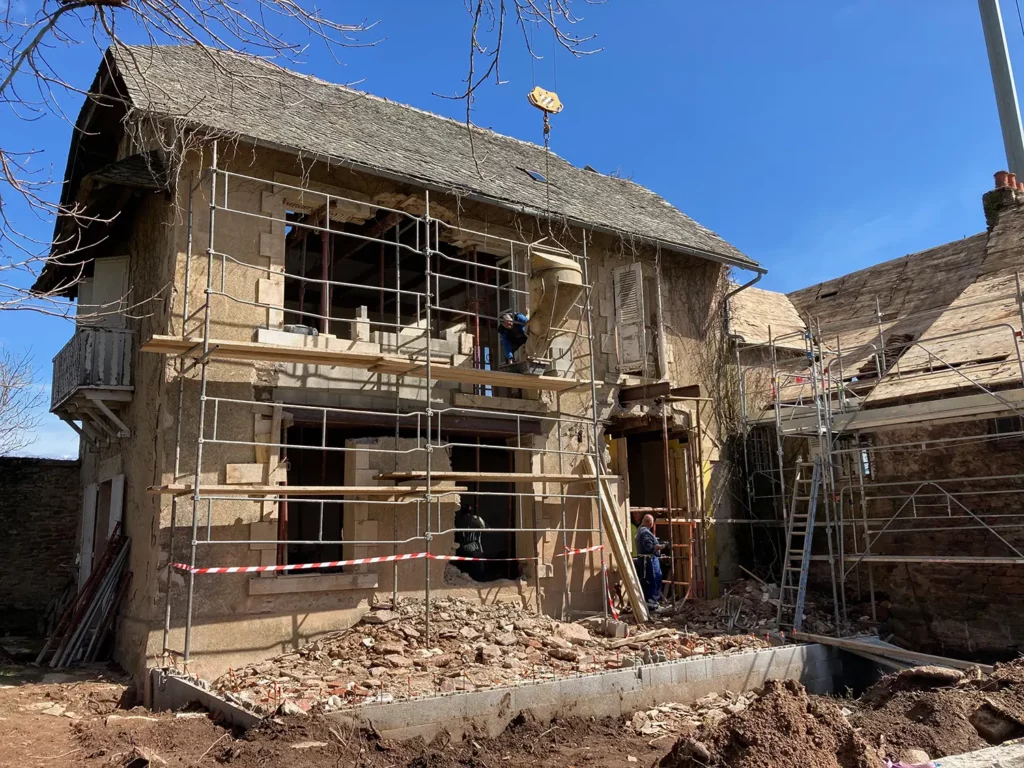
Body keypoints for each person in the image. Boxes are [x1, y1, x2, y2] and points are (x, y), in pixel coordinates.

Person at [635, 513, 664, 608]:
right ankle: (653, 602)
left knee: (647, 581)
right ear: (650, 523)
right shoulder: (645, 532)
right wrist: (661, 546)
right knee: (654, 579)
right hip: (649, 560)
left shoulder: (640, 530)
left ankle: (650, 601)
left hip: (644, 560)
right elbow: (649, 547)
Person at [454, 504, 487, 581]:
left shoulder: (457, 520)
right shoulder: (477, 519)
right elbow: (486, 529)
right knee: (477, 570)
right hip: (475, 547)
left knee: (464, 570)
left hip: (461, 547)